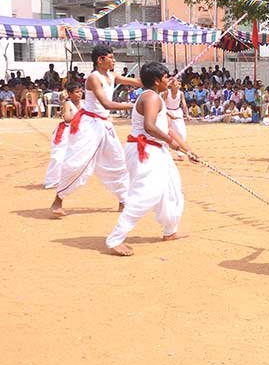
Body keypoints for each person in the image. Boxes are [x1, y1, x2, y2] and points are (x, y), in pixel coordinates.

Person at [106, 63, 194, 256]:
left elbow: (167, 128)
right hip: (145, 150)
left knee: (171, 188)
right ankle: (115, 239)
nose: (169, 80)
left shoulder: (155, 97)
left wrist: (188, 150)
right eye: (166, 77)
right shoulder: (151, 97)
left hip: (156, 150)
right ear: (156, 80)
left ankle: (170, 231)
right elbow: (150, 127)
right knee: (146, 193)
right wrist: (172, 143)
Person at [50, 45, 141, 217]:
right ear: (100, 60)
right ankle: (58, 200)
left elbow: (137, 82)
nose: (114, 60)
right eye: (111, 57)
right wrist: (135, 105)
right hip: (90, 125)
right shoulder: (93, 78)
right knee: (77, 162)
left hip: (105, 125)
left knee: (118, 161)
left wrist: (160, 81)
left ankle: (123, 200)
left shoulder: (112, 75)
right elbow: (107, 104)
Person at [44, 82, 83, 189]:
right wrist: (82, 116)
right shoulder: (67, 104)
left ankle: (68, 179)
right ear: (70, 93)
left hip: (78, 132)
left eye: (81, 91)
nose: (80, 94)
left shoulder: (84, 103)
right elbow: (67, 118)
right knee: (58, 156)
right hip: (66, 132)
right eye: (77, 92)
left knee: (75, 157)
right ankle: (51, 181)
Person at [162, 80, 189, 160]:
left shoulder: (181, 93)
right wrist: (167, 113)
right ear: (172, 86)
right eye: (176, 84)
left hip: (177, 112)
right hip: (167, 111)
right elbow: (161, 104)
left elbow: (184, 104)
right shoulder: (167, 92)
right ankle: (165, 152)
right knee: (166, 132)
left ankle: (180, 153)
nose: (178, 86)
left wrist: (187, 114)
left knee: (181, 132)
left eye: (179, 84)